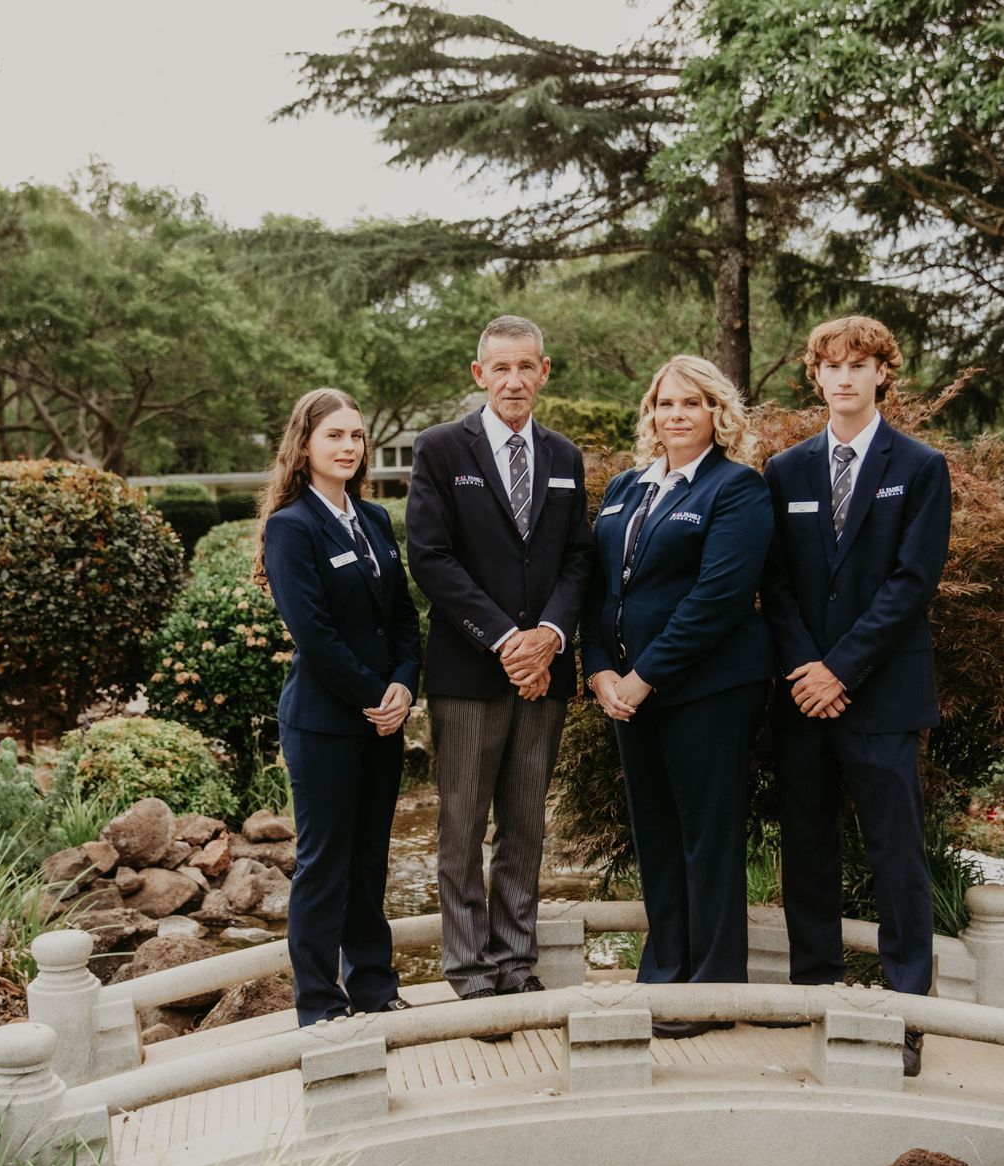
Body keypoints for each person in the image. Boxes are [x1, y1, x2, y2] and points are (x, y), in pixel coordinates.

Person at [760, 315, 952, 1076]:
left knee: (895, 853)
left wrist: (841, 669)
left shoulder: (921, 465)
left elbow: (913, 581)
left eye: (860, 364)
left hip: (880, 694)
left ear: (882, 374)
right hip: (802, 696)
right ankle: (817, 991)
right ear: (815, 377)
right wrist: (808, 669)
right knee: (806, 849)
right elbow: (773, 584)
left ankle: (907, 1012)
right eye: (831, 365)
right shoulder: (786, 471)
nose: (844, 377)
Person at [406, 316, 594, 1018]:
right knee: (460, 824)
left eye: (527, 367)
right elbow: (429, 557)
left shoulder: (565, 456)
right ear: (478, 373)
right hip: (469, 673)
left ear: (544, 371)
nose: (514, 380)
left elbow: (579, 557)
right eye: (500, 368)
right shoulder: (439, 449)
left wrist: (548, 635)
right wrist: (505, 640)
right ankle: (467, 965)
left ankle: (516, 960)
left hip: (544, 675)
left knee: (525, 824)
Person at [585, 355, 774, 1039]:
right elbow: (601, 586)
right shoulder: (625, 487)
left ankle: (713, 992)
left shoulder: (737, 489)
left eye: (690, 404)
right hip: (629, 692)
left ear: (717, 413)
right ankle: (665, 975)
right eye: (664, 403)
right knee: (657, 837)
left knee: (707, 838)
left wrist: (645, 675)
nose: (675, 415)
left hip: (709, 689)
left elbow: (718, 599)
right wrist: (600, 668)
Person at [257, 388, 422, 1027]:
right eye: (335, 437)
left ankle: (375, 986)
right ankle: (320, 1004)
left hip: (384, 721)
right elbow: (315, 634)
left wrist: (405, 686)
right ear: (305, 446)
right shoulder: (291, 526)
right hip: (326, 723)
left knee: (371, 859)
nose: (349, 447)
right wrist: (374, 697)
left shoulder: (376, 521)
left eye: (357, 437)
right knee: (326, 864)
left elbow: (404, 618)